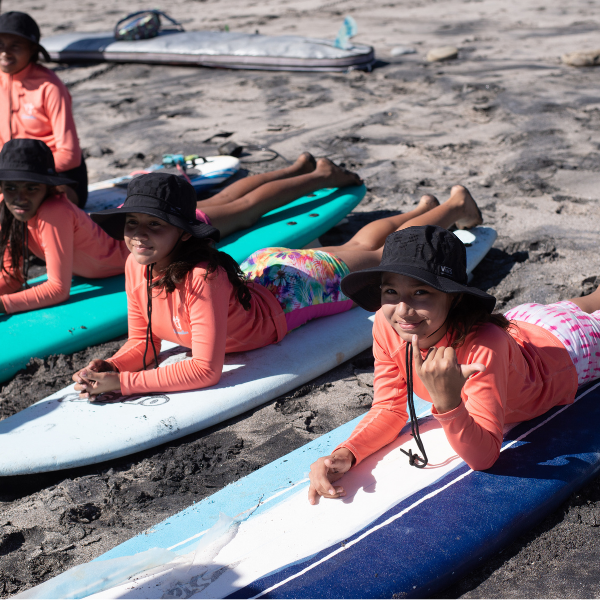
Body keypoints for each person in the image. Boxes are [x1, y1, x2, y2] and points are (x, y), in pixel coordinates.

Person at [71, 174, 484, 399]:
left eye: (154, 225)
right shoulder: (136, 264)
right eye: (132, 224)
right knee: (361, 246)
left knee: (378, 257)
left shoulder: (202, 278)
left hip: (297, 290)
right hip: (258, 272)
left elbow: (204, 370)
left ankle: (452, 207)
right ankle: (424, 210)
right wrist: (113, 365)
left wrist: (123, 386)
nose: (139, 237)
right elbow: (143, 338)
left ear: (182, 233)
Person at [306, 224, 600, 504]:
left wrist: (449, 403)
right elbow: (389, 406)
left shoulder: (483, 348)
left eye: (421, 292)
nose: (403, 310)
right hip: (523, 323)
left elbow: (483, 457)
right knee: (592, 298)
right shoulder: (388, 325)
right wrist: (346, 452)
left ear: (455, 298)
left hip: (569, 350)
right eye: (391, 292)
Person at [0, 139, 129, 314]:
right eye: (11, 188)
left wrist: (3, 305)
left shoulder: (55, 213)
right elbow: (12, 276)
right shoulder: (7, 210)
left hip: (129, 245)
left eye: (31, 188)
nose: (20, 198)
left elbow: (58, 290)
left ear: (47, 188)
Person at [0, 11, 88, 207]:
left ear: (32, 49)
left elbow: (70, 155)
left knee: (40, 206)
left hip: (56, 176)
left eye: (15, 45)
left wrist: (25, 172)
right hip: (10, 173)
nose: (5, 52)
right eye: (0, 44)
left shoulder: (50, 87)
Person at [195, 153, 361, 238]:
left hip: (177, 227)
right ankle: (298, 170)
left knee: (245, 209)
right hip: (170, 211)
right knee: (222, 200)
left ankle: (324, 176)